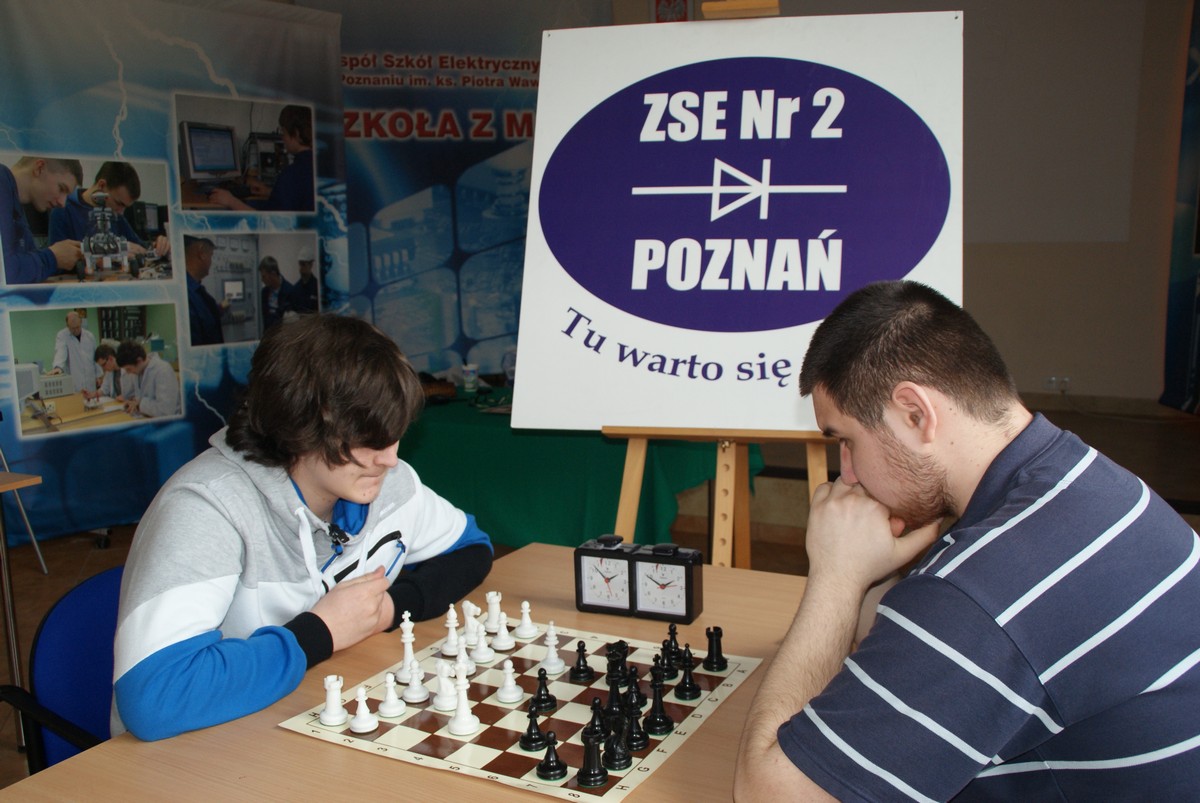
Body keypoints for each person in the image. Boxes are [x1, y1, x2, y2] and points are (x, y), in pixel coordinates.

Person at [733, 281, 1200, 801]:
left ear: (915, 413)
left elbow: (773, 794)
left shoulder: (984, 586)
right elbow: (904, 648)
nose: (848, 475)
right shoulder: (1082, 478)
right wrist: (865, 572)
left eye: (847, 440)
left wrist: (835, 576)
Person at [112, 314, 493, 741]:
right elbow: (155, 699)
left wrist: (386, 610)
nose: (389, 458)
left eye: (394, 433)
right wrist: (321, 632)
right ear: (301, 423)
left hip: (305, 721)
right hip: (200, 752)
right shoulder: (207, 508)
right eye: (369, 438)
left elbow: (472, 548)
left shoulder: (386, 482)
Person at [48, 161, 170, 257]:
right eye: (119, 203)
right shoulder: (63, 210)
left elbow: (139, 246)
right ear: (102, 185)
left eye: (125, 207)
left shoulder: (116, 214)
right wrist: (111, 251)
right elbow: (58, 258)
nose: (121, 212)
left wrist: (157, 246)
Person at [208, 105, 315, 212]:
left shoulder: (292, 174)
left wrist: (231, 201)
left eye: (283, 132)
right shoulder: (316, 166)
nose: (283, 138)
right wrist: (269, 192)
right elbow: (298, 199)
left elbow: (267, 221)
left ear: (296, 133)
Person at [1, 156, 83, 283]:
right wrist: (53, 257)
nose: (62, 203)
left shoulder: (16, 207)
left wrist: (66, 257)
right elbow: (4, 272)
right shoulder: (2, 181)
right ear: (39, 168)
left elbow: (25, 264)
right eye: (61, 188)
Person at [115, 340, 180, 418]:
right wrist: (134, 403)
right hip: (148, 417)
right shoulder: (139, 371)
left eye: (129, 369)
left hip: (169, 422)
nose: (128, 373)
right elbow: (142, 398)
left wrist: (140, 404)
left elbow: (165, 411)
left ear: (139, 360)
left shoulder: (162, 370)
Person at [184, 235, 228, 345]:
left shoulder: (197, 291)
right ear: (202, 253)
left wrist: (218, 309)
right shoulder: (186, 295)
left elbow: (204, 319)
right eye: (211, 255)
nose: (211, 262)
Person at [50, 311, 100, 392]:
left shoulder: (89, 336)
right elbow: (60, 352)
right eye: (73, 328)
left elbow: (96, 357)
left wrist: (99, 375)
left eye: (78, 327)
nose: (76, 330)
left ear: (81, 322)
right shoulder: (62, 336)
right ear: (67, 326)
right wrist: (58, 367)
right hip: (75, 382)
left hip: (90, 381)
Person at [259, 255, 298, 332]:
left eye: (264, 276)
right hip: (268, 335)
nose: (262, 279)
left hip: (284, 335)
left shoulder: (291, 291)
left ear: (273, 274)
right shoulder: (264, 293)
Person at [293, 244, 319, 313]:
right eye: (300, 264)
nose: (301, 268)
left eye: (303, 264)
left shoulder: (318, 288)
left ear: (311, 265)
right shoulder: (295, 289)